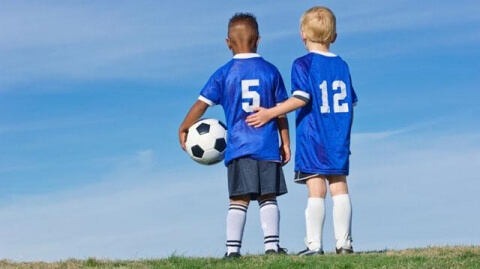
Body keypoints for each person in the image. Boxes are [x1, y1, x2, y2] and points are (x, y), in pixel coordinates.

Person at [246, 6, 357, 255]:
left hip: (314, 136)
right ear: (334, 36)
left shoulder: (303, 64)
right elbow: (351, 102)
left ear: (302, 35)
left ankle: (314, 246)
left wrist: (269, 113)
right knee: (339, 185)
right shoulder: (342, 65)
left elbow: (301, 98)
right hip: (338, 136)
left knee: (316, 186)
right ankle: (344, 244)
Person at [178, 13, 291, 258]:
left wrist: (184, 127)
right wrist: (286, 142)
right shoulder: (271, 71)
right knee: (268, 197)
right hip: (267, 145)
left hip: (239, 147)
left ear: (228, 43)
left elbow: (201, 105)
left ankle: (232, 251)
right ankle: (271, 247)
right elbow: (282, 112)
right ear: (258, 40)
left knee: (238, 199)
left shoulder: (223, 73)